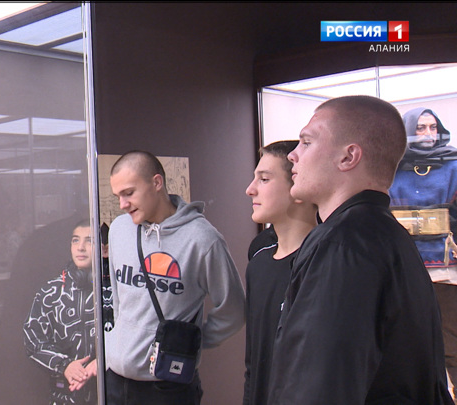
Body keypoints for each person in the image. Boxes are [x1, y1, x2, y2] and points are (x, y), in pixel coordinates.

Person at [267, 95, 452, 404]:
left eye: (307, 142)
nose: (293, 155)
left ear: (348, 157)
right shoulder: (391, 237)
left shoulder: (342, 244)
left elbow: (319, 386)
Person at [105, 150, 245, 404]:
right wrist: (117, 342)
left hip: (168, 385)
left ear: (157, 183)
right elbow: (118, 300)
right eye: (118, 196)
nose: (122, 204)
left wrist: (192, 342)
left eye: (129, 193)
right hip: (116, 381)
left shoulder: (202, 239)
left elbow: (233, 309)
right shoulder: (119, 229)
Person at [389, 107, 457, 400]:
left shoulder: (454, 165)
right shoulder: (391, 167)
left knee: (451, 339)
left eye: (432, 127)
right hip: (403, 266)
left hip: (445, 266)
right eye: (420, 128)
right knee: (409, 340)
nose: (428, 134)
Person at [243, 140, 316, 405]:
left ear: (298, 186)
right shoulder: (259, 265)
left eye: (264, 179)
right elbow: (253, 365)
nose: (250, 190)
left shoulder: (324, 265)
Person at [23, 219, 98, 405]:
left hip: (107, 391)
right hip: (64, 395)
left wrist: (104, 361)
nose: (80, 247)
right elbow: (33, 340)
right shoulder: (50, 292)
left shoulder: (115, 289)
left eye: (89, 240)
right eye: (75, 240)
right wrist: (64, 365)